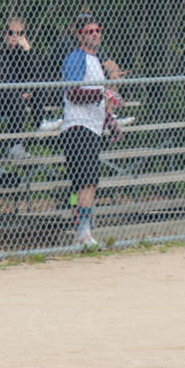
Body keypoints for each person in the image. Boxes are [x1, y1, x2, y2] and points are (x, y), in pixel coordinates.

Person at [60, 13, 122, 250]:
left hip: (93, 127)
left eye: (98, 30)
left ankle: (81, 231)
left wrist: (111, 122)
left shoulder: (97, 61)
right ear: (79, 35)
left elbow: (99, 99)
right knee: (88, 182)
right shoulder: (77, 58)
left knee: (82, 184)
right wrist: (102, 92)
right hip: (78, 126)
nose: (95, 34)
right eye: (89, 31)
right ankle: (83, 233)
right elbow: (73, 92)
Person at [0, 16, 42, 159]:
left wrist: (27, 50)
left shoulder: (20, 50)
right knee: (17, 98)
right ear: (5, 33)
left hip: (16, 95)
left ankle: (41, 123)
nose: (15, 36)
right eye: (11, 32)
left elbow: (34, 73)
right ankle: (14, 144)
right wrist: (20, 92)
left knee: (39, 88)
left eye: (20, 33)